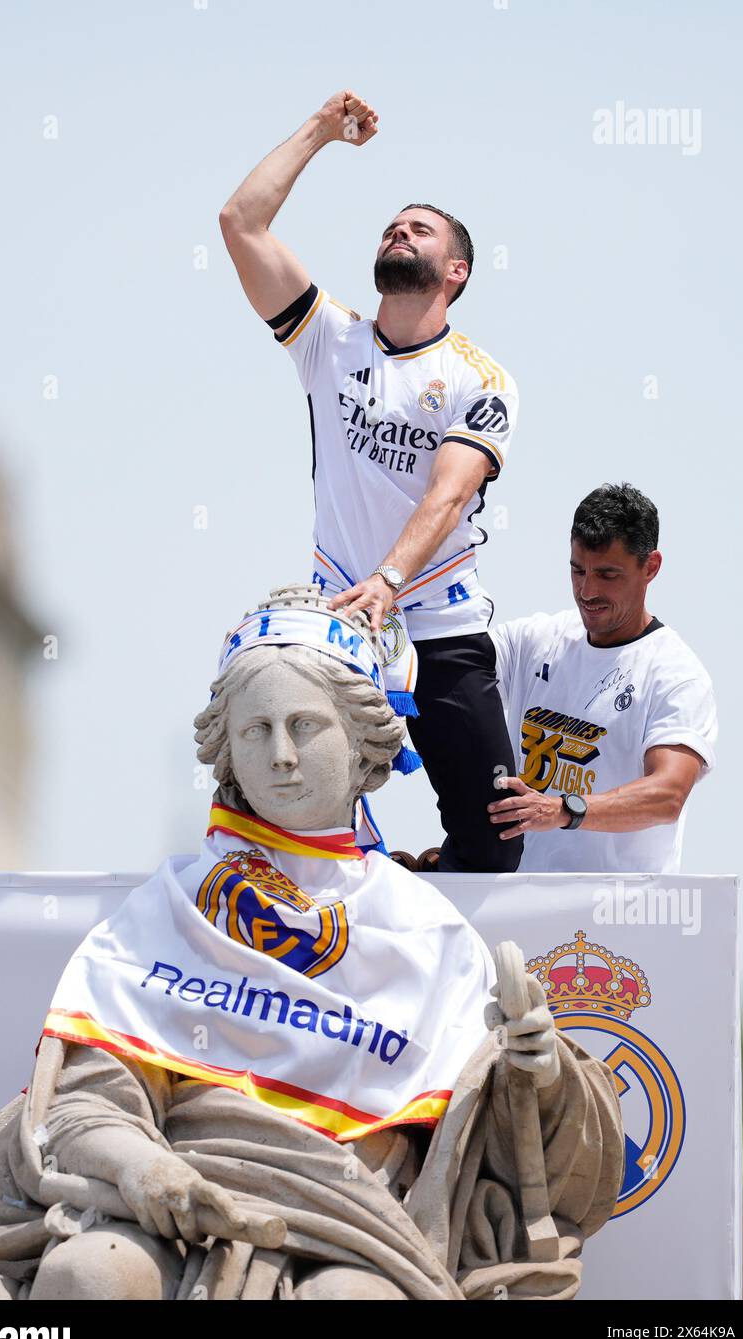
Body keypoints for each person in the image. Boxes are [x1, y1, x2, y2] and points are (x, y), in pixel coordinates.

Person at [0, 586, 623, 1302]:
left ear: (362, 741)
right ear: (227, 751)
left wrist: (538, 1072)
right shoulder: (171, 908)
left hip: (357, 1224)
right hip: (172, 1203)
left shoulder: (429, 929)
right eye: (256, 730)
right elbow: (85, 1102)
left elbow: (499, 1151)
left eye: (305, 725)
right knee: (91, 1272)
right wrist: (142, 1167)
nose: (282, 756)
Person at [219, 88, 522, 873]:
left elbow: (448, 495)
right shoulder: (330, 338)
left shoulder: (481, 378)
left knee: (495, 842)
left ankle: (412, 897)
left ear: (455, 270)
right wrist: (320, 131)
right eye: (392, 225)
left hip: (439, 624)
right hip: (333, 624)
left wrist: (389, 581)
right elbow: (241, 222)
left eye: (418, 229)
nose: (398, 232)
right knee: (278, 812)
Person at [486, 484, 718, 872]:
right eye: (578, 570)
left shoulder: (677, 675)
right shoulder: (533, 640)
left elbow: (668, 794)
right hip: (517, 899)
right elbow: (446, 672)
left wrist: (563, 810)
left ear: (651, 567)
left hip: (616, 907)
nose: (587, 591)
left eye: (608, 574)